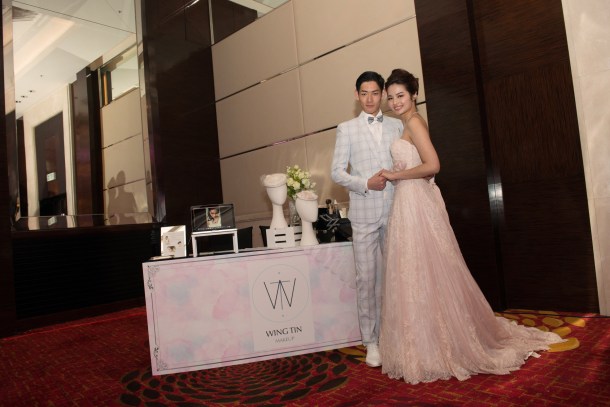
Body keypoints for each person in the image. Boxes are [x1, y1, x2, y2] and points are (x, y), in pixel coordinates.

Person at [378, 68, 564, 384]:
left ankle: (435, 345)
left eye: (401, 96)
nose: (395, 102)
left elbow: (433, 165)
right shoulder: (408, 123)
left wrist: (396, 175)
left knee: (424, 268)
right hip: (409, 201)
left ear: (413, 95)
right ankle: (424, 344)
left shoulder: (414, 122)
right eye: (392, 97)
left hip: (414, 202)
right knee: (418, 270)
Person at [331, 71, 404, 367]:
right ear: (356, 95)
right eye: (364, 93)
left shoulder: (398, 125)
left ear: (383, 94)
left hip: (397, 210)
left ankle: (393, 335)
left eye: (375, 93)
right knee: (366, 278)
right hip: (363, 214)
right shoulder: (346, 129)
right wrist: (365, 183)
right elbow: (337, 172)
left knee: (395, 276)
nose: (370, 99)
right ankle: (371, 341)